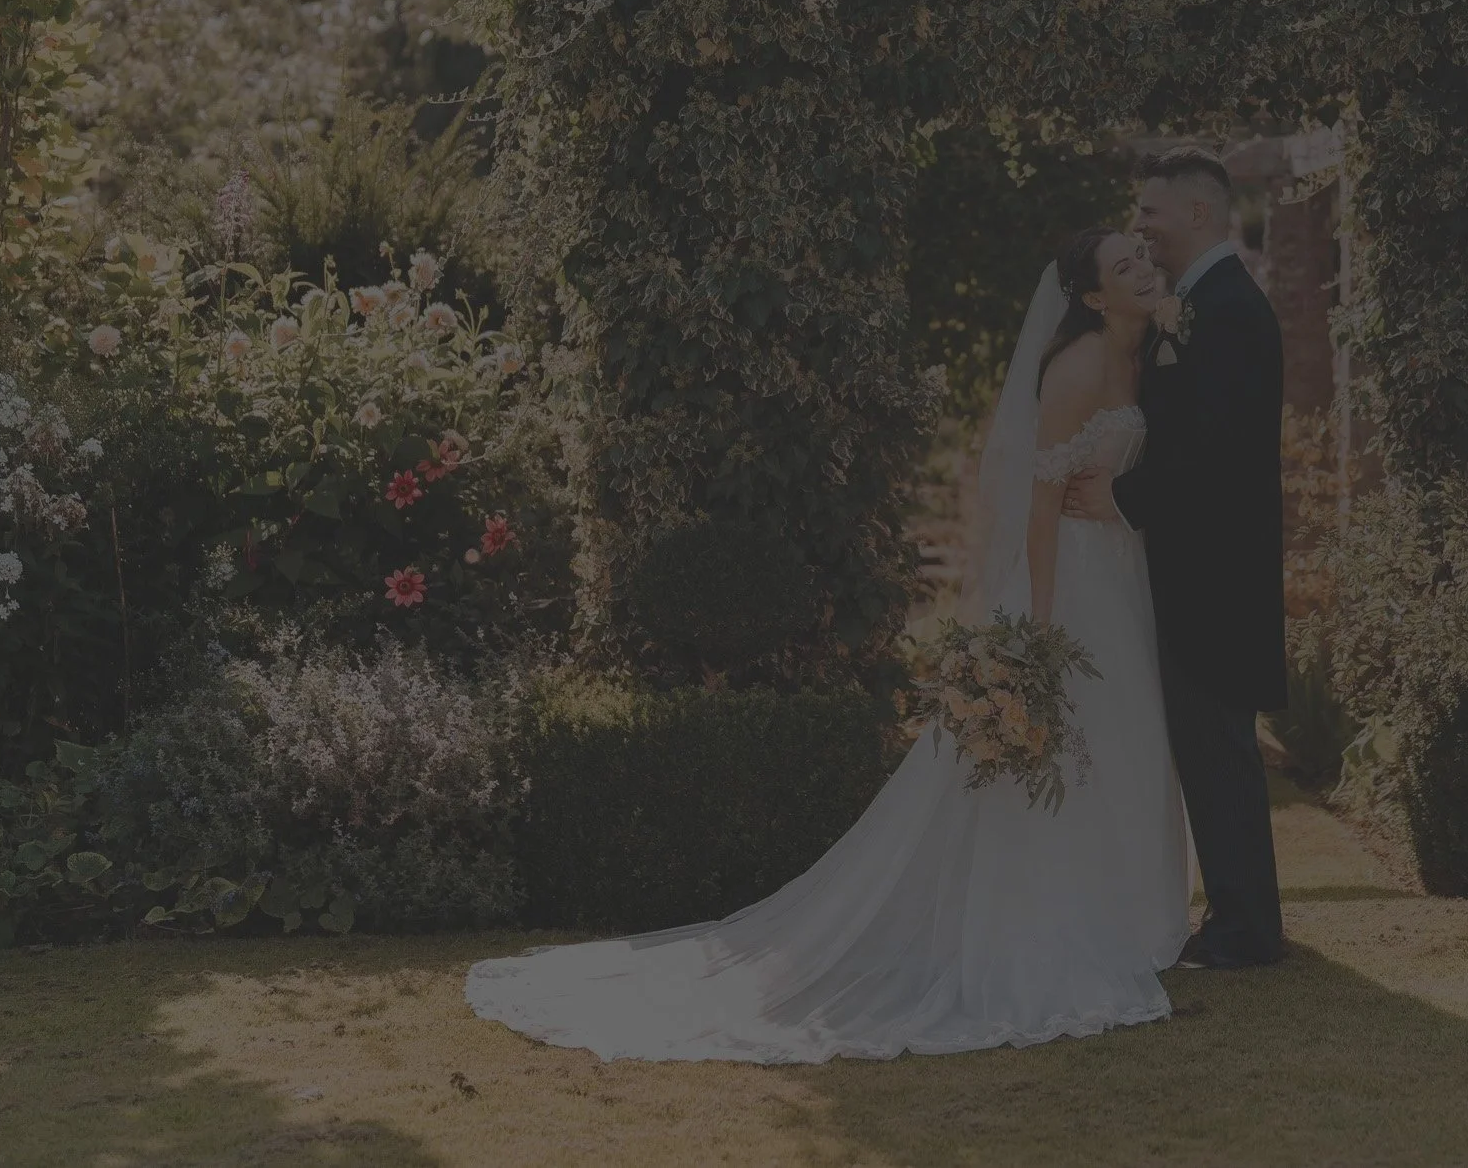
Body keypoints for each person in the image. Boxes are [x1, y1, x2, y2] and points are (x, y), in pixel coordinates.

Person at [466, 228, 1190, 1062]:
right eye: (1124, 265)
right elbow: (1037, 507)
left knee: (1128, 742)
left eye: (1144, 256)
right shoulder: (1075, 367)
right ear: (1094, 298)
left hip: (1121, 573)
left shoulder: (1156, 348)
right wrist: (1042, 625)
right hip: (1069, 586)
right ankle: (1053, 926)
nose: (1144, 267)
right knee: (1059, 755)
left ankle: (1133, 917)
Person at [1066, 145, 1287, 969]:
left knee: (1218, 749)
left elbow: (1207, 451)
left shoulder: (1227, 310)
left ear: (1198, 213)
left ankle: (1247, 929)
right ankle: (1241, 915)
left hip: (1214, 575)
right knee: (1210, 749)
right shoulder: (1204, 303)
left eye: (1151, 213)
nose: (1142, 228)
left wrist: (1121, 499)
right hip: (1199, 569)